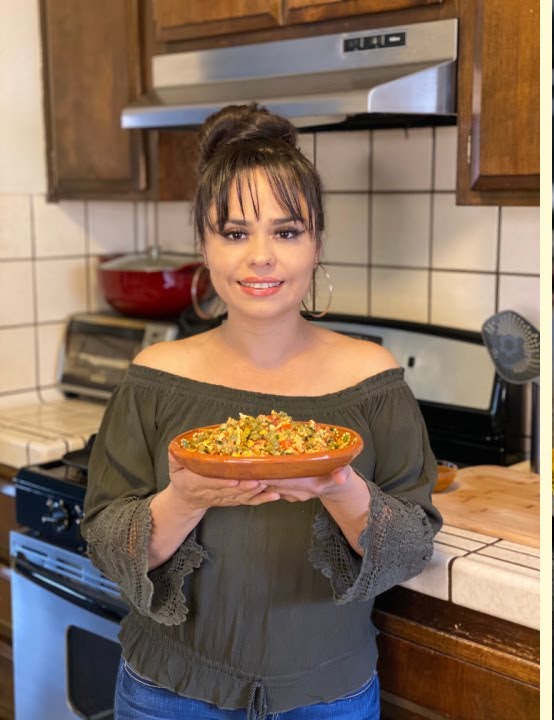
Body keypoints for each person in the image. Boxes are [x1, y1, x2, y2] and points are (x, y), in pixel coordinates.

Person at [83, 103, 443, 719]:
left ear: (316, 244)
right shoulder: (154, 379)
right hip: (169, 693)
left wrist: (340, 486)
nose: (260, 258)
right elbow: (104, 543)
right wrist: (185, 499)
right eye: (233, 232)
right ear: (204, 244)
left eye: (286, 231)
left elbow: (412, 549)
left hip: (328, 697)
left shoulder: (375, 378)